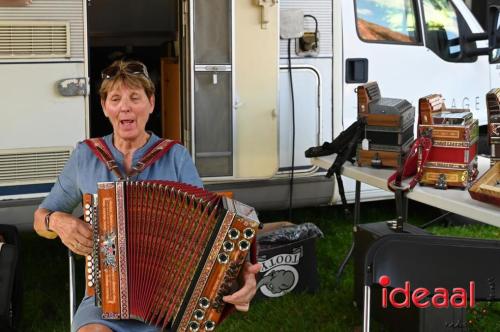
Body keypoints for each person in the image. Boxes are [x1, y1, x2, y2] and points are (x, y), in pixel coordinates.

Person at [33, 59, 260, 332]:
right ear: (105, 107)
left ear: (151, 104)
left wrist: (240, 273)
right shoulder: (85, 156)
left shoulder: (175, 156)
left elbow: (210, 232)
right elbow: (40, 218)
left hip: (169, 299)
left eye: (135, 98)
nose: (125, 106)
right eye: (115, 99)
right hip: (102, 302)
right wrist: (56, 221)